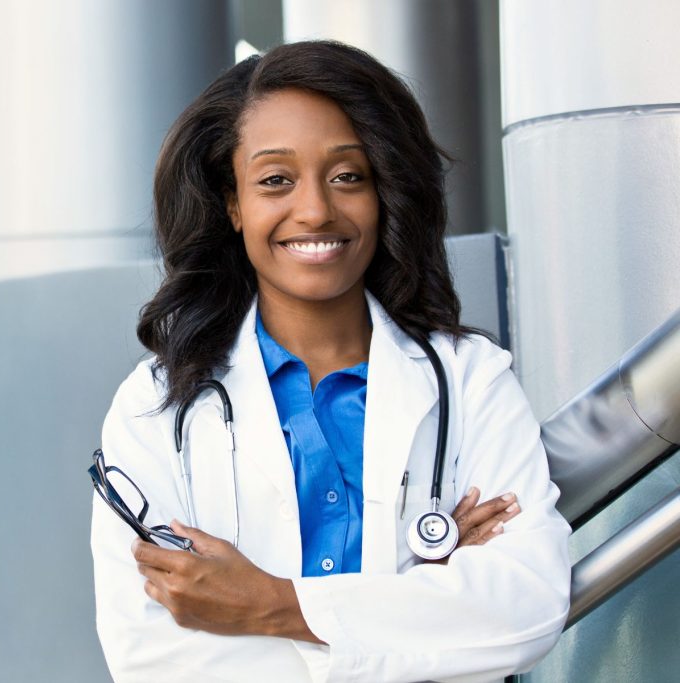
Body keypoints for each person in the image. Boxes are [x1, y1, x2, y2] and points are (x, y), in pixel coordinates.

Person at [90, 40, 571, 683]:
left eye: (348, 176)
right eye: (275, 181)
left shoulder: (469, 379)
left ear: (385, 191)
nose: (315, 209)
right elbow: (153, 659)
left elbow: (527, 606)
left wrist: (268, 605)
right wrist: (414, 605)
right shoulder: (156, 408)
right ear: (232, 203)